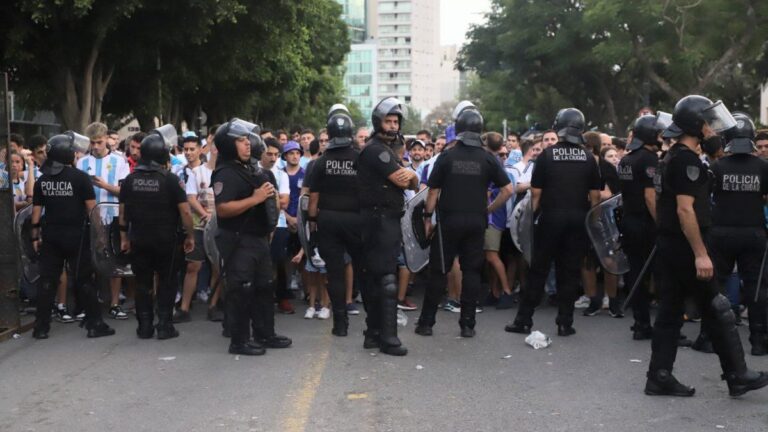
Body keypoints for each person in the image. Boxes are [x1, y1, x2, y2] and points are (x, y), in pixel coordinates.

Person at [646, 95, 768, 397]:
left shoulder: (672, 157)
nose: (714, 129)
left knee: (670, 312)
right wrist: (701, 254)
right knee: (718, 308)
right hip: (686, 247)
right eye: (708, 123)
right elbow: (685, 210)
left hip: (671, 244)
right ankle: (738, 374)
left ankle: (659, 375)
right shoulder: (686, 161)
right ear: (696, 125)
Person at [415, 102, 513, 338]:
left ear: (458, 129)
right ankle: (468, 324)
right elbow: (508, 189)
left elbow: (432, 191)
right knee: (471, 273)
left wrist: (428, 218)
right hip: (476, 222)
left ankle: (426, 323)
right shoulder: (488, 158)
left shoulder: (447, 157)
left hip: (448, 222)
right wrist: (488, 209)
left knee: (439, 272)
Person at [506, 108, 601, 336]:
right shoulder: (588, 158)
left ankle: (524, 320)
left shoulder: (547, 156)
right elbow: (595, 197)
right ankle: (565, 323)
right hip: (578, 220)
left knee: (538, 270)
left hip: (550, 219)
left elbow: (536, 196)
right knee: (569, 272)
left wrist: (529, 224)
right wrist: (592, 225)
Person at [212, 119, 291, 355]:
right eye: (240, 140)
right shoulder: (225, 173)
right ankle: (239, 340)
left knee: (265, 286)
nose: (247, 144)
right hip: (238, 239)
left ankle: (265, 333)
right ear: (228, 144)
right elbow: (223, 209)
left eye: (247, 140)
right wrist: (254, 199)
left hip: (258, 238)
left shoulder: (251, 170)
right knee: (241, 289)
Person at [30, 132, 115, 339]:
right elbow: (92, 210)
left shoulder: (43, 180)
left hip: (51, 237)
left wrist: (34, 237)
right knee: (84, 279)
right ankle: (95, 324)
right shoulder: (80, 178)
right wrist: (101, 236)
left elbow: (36, 211)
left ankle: (41, 328)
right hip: (77, 237)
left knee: (48, 281)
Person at [356, 97, 419, 356]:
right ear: (378, 122)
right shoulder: (377, 150)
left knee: (376, 278)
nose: (393, 126)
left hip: (383, 219)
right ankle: (388, 337)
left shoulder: (388, 151)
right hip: (379, 220)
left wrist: (413, 176)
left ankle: (373, 333)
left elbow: (412, 181)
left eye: (396, 121)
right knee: (386, 278)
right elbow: (403, 180)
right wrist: (411, 177)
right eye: (388, 121)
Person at [119, 125, 194, 339]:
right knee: (167, 282)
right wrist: (189, 236)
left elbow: (122, 213)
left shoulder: (130, 180)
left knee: (142, 283)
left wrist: (124, 238)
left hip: (139, 239)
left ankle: (144, 326)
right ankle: (164, 326)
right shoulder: (170, 179)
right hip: (167, 241)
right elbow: (185, 212)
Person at [709, 113, 768, 356]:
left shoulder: (717, 166)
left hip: (721, 233)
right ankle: (759, 340)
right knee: (757, 288)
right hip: (753, 233)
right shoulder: (763, 167)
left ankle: (714, 338)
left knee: (718, 286)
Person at [307, 104, 363, 336]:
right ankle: (374, 325)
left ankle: (340, 324)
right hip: (356, 220)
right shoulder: (361, 158)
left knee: (335, 272)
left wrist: (312, 221)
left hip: (328, 220)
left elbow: (313, 197)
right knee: (362, 269)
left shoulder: (320, 161)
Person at [617, 114, 665, 340]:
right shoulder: (649, 159)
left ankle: (640, 323)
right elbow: (650, 197)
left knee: (636, 274)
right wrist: (661, 224)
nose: (661, 137)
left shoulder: (627, 159)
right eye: (658, 133)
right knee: (659, 275)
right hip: (646, 225)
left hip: (629, 221)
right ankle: (659, 326)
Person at [77, 122, 130, 320]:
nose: (96, 146)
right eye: (92, 142)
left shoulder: (119, 161)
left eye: (99, 142)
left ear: (106, 139)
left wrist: (104, 185)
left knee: (113, 261)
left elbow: (125, 190)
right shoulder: (82, 162)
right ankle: (91, 303)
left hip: (113, 217)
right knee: (90, 262)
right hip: (90, 219)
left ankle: (115, 303)